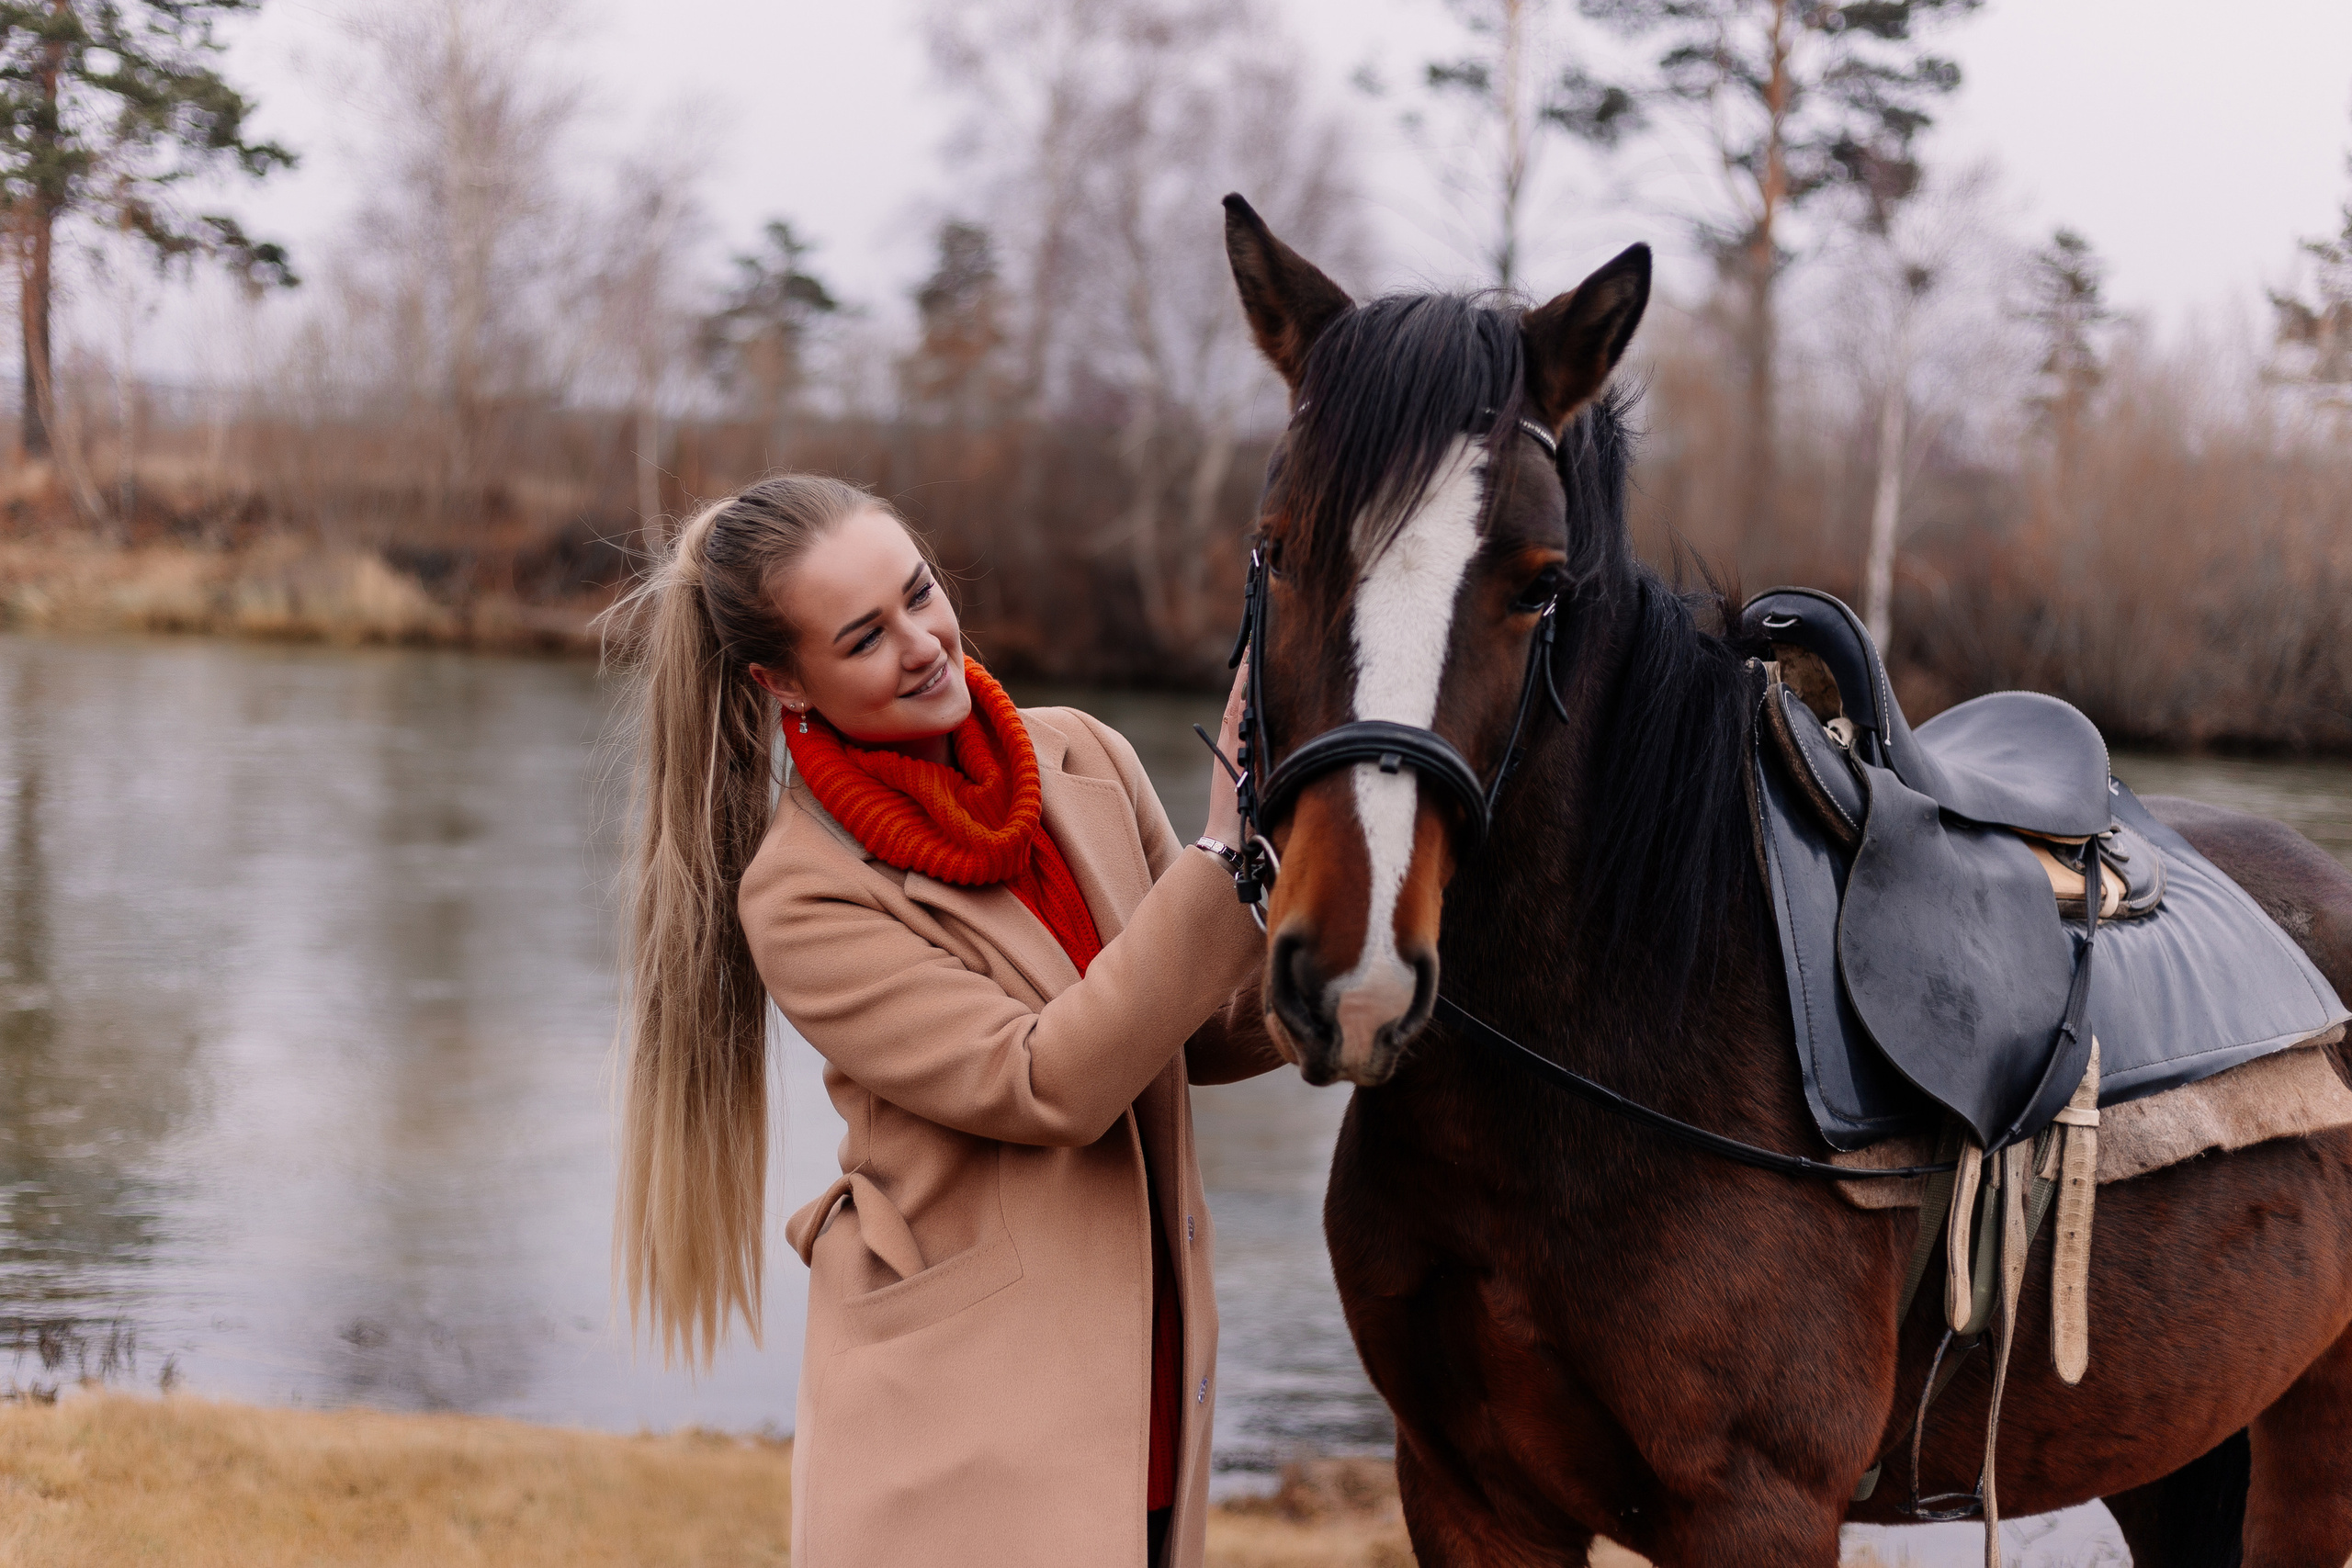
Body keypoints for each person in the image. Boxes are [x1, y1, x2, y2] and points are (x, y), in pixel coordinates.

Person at [612, 472, 1283, 1568]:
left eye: (921, 594)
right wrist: (1225, 859)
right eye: (865, 637)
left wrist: (1343, 960)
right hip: (961, 1420)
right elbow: (1045, 1084)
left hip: (1145, 1376)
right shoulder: (802, 894)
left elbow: (1193, 1027)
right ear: (784, 681)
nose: (923, 643)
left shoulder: (1087, 757)